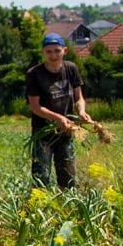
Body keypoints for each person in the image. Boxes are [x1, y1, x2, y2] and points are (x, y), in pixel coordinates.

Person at [26, 31, 90, 190]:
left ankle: (66, 206)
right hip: (43, 133)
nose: (53, 55)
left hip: (66, 131)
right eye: (49, 51)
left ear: (65, 51)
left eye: (57, 51)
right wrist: (57, 118)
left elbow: (78, 97)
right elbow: (35, 106)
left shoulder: (71, 69)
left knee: (67, 175)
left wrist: (81, 111)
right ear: (43, 52)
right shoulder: (34, 74)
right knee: (41, 175)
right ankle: (40, 207)